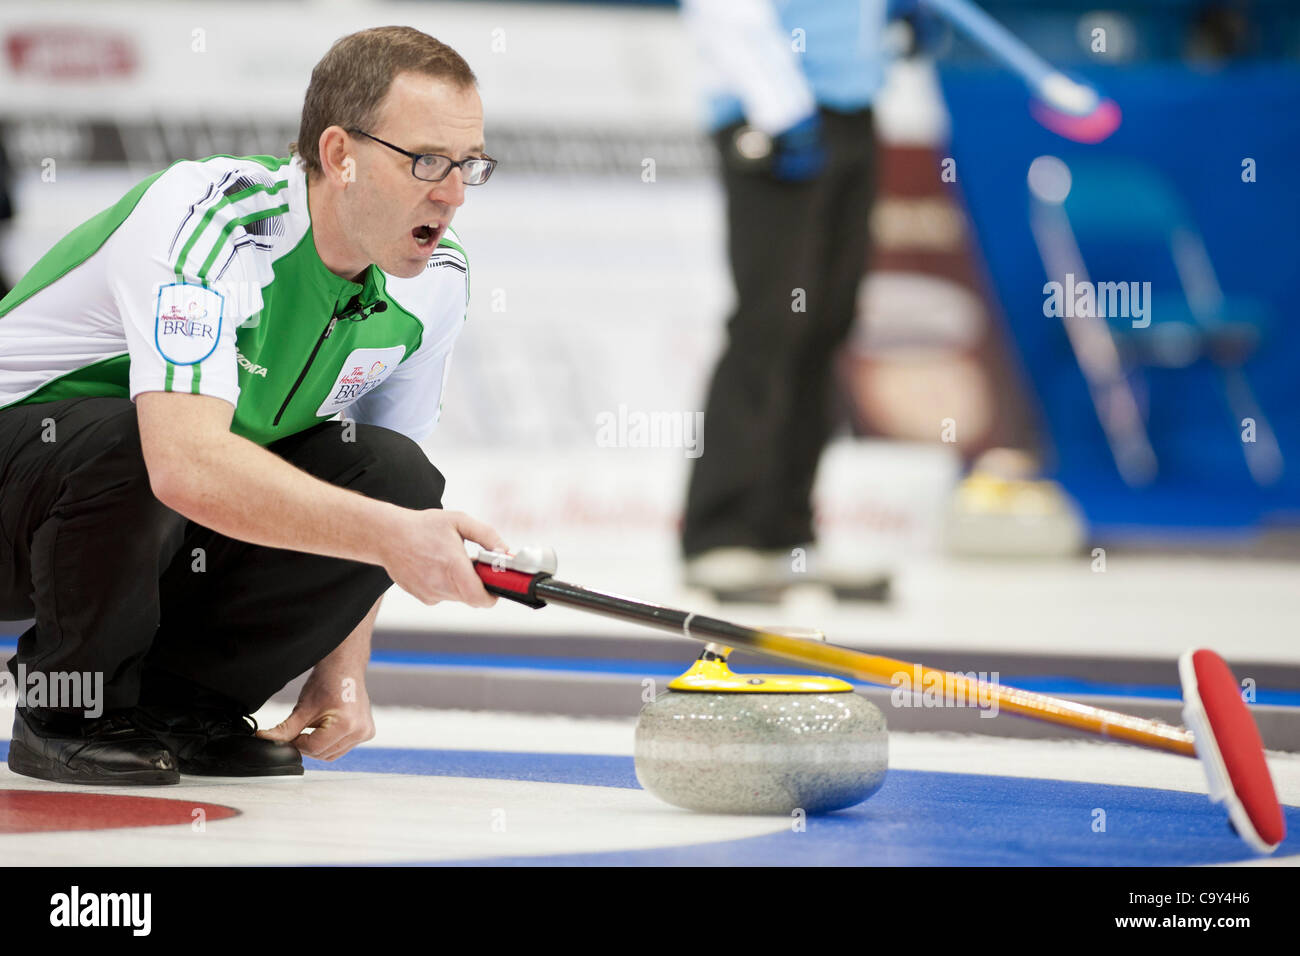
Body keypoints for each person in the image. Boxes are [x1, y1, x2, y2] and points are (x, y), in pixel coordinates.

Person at [0, 26, 507, 785]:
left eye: (469, 165)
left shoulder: (436, 280)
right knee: (145, 439)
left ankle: (181, 706)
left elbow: (387, 508)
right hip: (26, 492)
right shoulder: (209, 220)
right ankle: (69, 709)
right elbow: (184, 463)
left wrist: (343, 667)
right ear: (340, 155)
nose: (453, 192)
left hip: (145, 519)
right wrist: (397, 537)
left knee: (394, 474)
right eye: (427, 161)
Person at [678, 0, 896, 602]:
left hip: (852, 110)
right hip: (772, 112)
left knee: (828, 322)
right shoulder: (774, 107)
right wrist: (780, 108)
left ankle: (786, 535)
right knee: (770, 322)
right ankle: (720, 532)